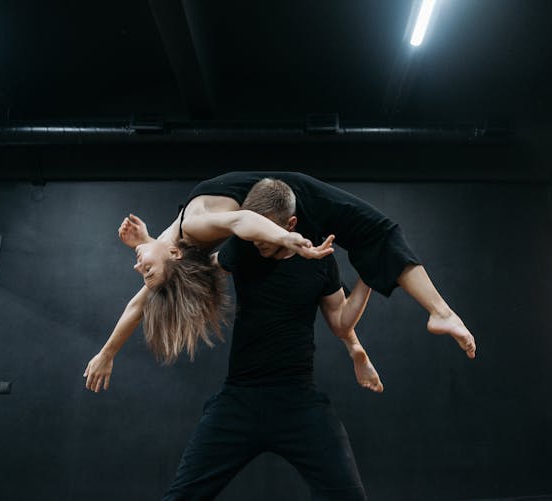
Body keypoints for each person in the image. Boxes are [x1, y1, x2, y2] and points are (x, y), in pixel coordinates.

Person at [83, 171, 474, 393]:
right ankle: (441, 313)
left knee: (367, 244)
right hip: (288, 199)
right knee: (380, 231)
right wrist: (285, 237)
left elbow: (144, 291)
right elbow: (239, 223)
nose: (138, 269)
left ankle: (433, 315)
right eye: (146, 271)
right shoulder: (190, 228)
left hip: (275, 205)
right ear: (174, 256)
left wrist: (108, 352)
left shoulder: (182, 236)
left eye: (142, 270)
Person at [163, 181, 373, 500]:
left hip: (297, 402)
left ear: (290, 225)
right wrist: (167, 257)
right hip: (240, 400)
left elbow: (341, 321)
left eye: (267, 231)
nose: (259, 239)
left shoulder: (320, 263)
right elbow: (202, 272)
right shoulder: (243, 247)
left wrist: (369, 277)